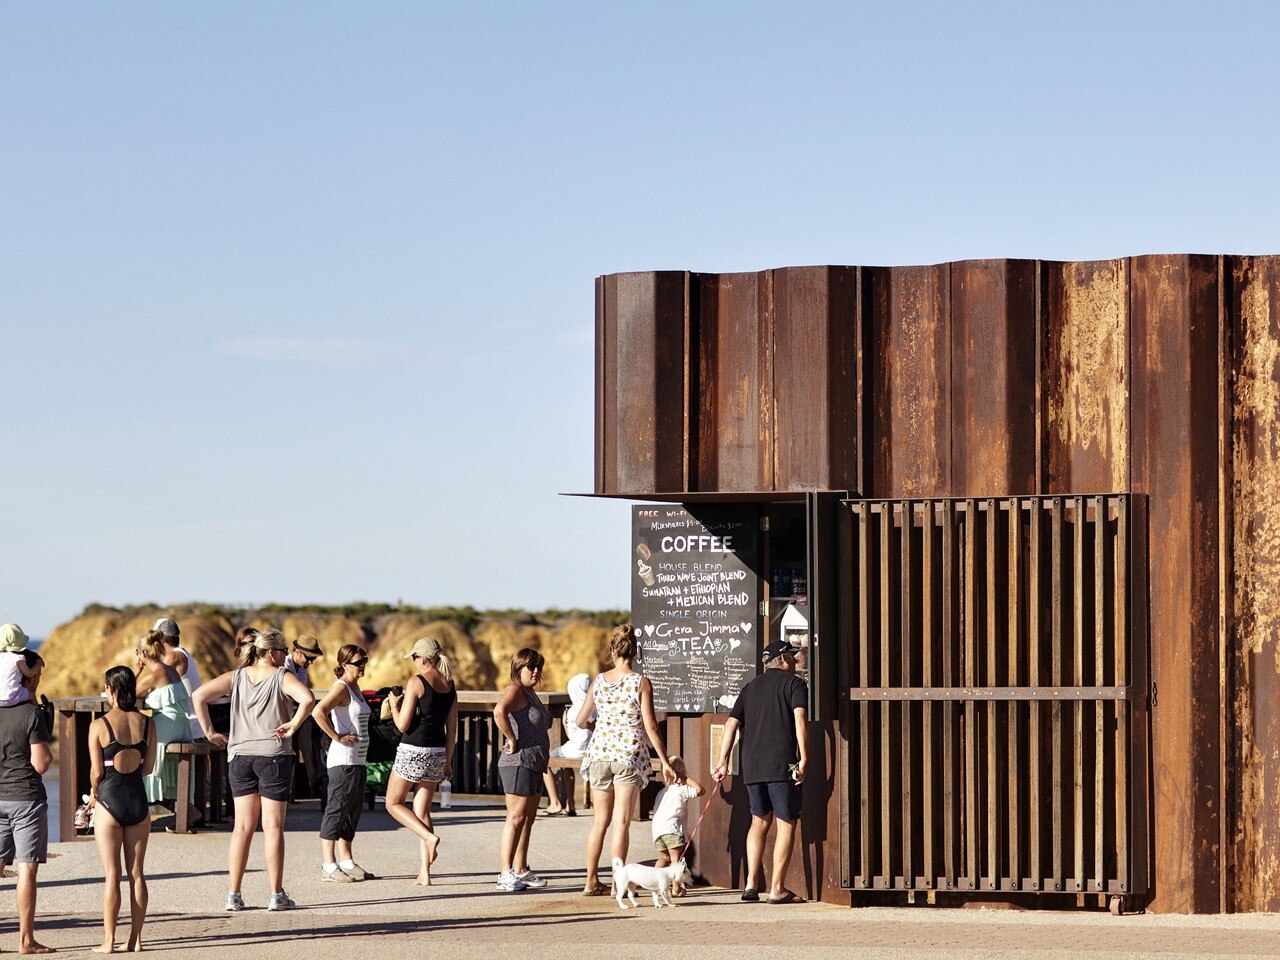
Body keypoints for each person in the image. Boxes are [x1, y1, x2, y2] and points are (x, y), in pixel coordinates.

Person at [193, 629, 316, 912]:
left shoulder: (237, 676)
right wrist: (293, 725)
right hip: (273, 755)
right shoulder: (282, 676)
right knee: (272, 827)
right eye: (283, 651)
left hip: (240, 756)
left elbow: (199, 695)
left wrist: (209, 732)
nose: (286, 656)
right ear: (271, 652)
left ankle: (233, 894)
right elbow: (308, 698)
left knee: (242, 827)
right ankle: (276, 894)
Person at [578, 624, 676, 897]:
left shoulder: (599, 681)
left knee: (599, 822)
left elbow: (580, 720)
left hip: (599, 755)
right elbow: (651, 726)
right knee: (621, 822)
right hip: (628, 755)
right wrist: (665, 761)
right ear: (635, 652)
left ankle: (590, 881)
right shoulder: (640, 682)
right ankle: (616, 885)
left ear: (612, 650)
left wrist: (596, 727)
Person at [712, 638, 809, 904]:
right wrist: (804, 759)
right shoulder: (795, 684)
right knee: (786, 822)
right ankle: (777, 889)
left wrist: (722, 761)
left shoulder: (750, 687)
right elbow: (800, 721)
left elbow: (730, 725)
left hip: (752, 765)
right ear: (783, 659)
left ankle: (751, 885)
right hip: (782, 764)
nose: (795, 660)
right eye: (792, 656)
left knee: (759, 820)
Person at [87, 666, 157, 954]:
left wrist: (94, 793)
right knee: (137, 873)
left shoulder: (99, 725)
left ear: (111, 689)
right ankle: (136, 939)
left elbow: (96, 772)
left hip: (109, 803)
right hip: (138, 802)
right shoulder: (148, 723)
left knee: (112, 875)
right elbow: (148, 768)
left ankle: (109, 941)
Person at [383, 637, 454, 886]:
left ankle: (428, 837)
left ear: (423, 659)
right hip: (437, 752)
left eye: (414, 657)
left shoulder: (416, 682)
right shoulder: (449, 684)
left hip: (413, 749)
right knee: (422, 811)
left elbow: (402, 725)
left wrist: (394, 706)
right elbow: (452, 729)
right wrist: (448, 761)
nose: (414, 661)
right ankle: (425, 873)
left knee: (393, 803)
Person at [0, 649, 53, 954]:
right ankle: (25, 940)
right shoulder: (31, 714)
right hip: (26, 799)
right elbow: (42, 764)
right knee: (27, 870)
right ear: (28, 677)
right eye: (38, 674)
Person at [311, 644, 374, 883]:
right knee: (336, 810)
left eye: (364, 660)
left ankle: (347, 861)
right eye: (358, 662)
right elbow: (318, 712)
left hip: (358, 760)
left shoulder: (355, 688)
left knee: (352, 811)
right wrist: (337, 736)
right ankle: (328, 864)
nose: (363, 666)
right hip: (343, 760)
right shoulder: (341, 687)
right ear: (345, 664)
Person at [492, 648, 552, 892]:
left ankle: (521, 869)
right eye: (531, 666)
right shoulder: (515, 689)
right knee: (516, 817)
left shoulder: (531, 693)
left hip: (535, 762)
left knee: (528, 820)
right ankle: (504, 873)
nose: (536, 671)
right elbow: (499, 711)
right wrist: (511, 737)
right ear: (518, 668)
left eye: (539, 666)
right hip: (518, 761)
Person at [133, 632, 198, 826]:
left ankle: (137, 813)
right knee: (164, 768)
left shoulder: (154, 674)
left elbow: (127, 694)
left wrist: (136, 671)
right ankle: (189, 811)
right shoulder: (171, 670)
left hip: (167, 725)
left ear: (143, 654)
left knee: (142, 759)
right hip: (182, 725)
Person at [651, 756, 704, 896]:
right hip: (672, 829)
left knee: (664, 858)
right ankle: (676, 888)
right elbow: (700, 790)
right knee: (676, 861)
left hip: (658, 830)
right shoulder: (682, 789)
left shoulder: (661, 792)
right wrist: (686, 779)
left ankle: (655, 884)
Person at [541, 672, 592, 816]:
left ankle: (555, 803)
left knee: (545, 760)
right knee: (565, 762)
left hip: (577, 749)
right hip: (591, 750)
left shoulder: (574, 710)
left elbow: (574, 736)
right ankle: (570, 803)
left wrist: (565, 721)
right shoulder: (594, 707)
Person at [284, 635, 324, 799]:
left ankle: (315, 776)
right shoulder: (285, 666)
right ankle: (313, 777)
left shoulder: (301, 669)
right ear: (298, 652)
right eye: (309, 658)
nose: (311, 662)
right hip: (285, 716)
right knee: (306, 730)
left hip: (296, 714)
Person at [152, 618, 204, 741]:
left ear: (161, 639)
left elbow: (151, 686)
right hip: (192, 727)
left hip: (189, 730)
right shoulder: (182, 653)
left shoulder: (174, 656)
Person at [0, 624, 39, 708]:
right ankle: (38, 711)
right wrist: (38, 664)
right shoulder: (18, 658)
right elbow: (29, 674)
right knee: (32, 695)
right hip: (11, 697)